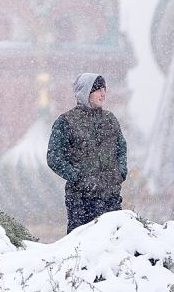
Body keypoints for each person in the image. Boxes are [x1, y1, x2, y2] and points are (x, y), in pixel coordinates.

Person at [46, 73, 128, 233]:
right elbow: (54, 157)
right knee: (81, 247)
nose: (103, 93)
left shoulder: (110, 119)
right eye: (97, 89)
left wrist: (120, 173)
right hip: (81, 200)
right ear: (85, 92)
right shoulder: (66, 122)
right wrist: (78, 177)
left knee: (112, 247)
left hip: (110, 197)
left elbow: (121, 148)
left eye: (104, 89)